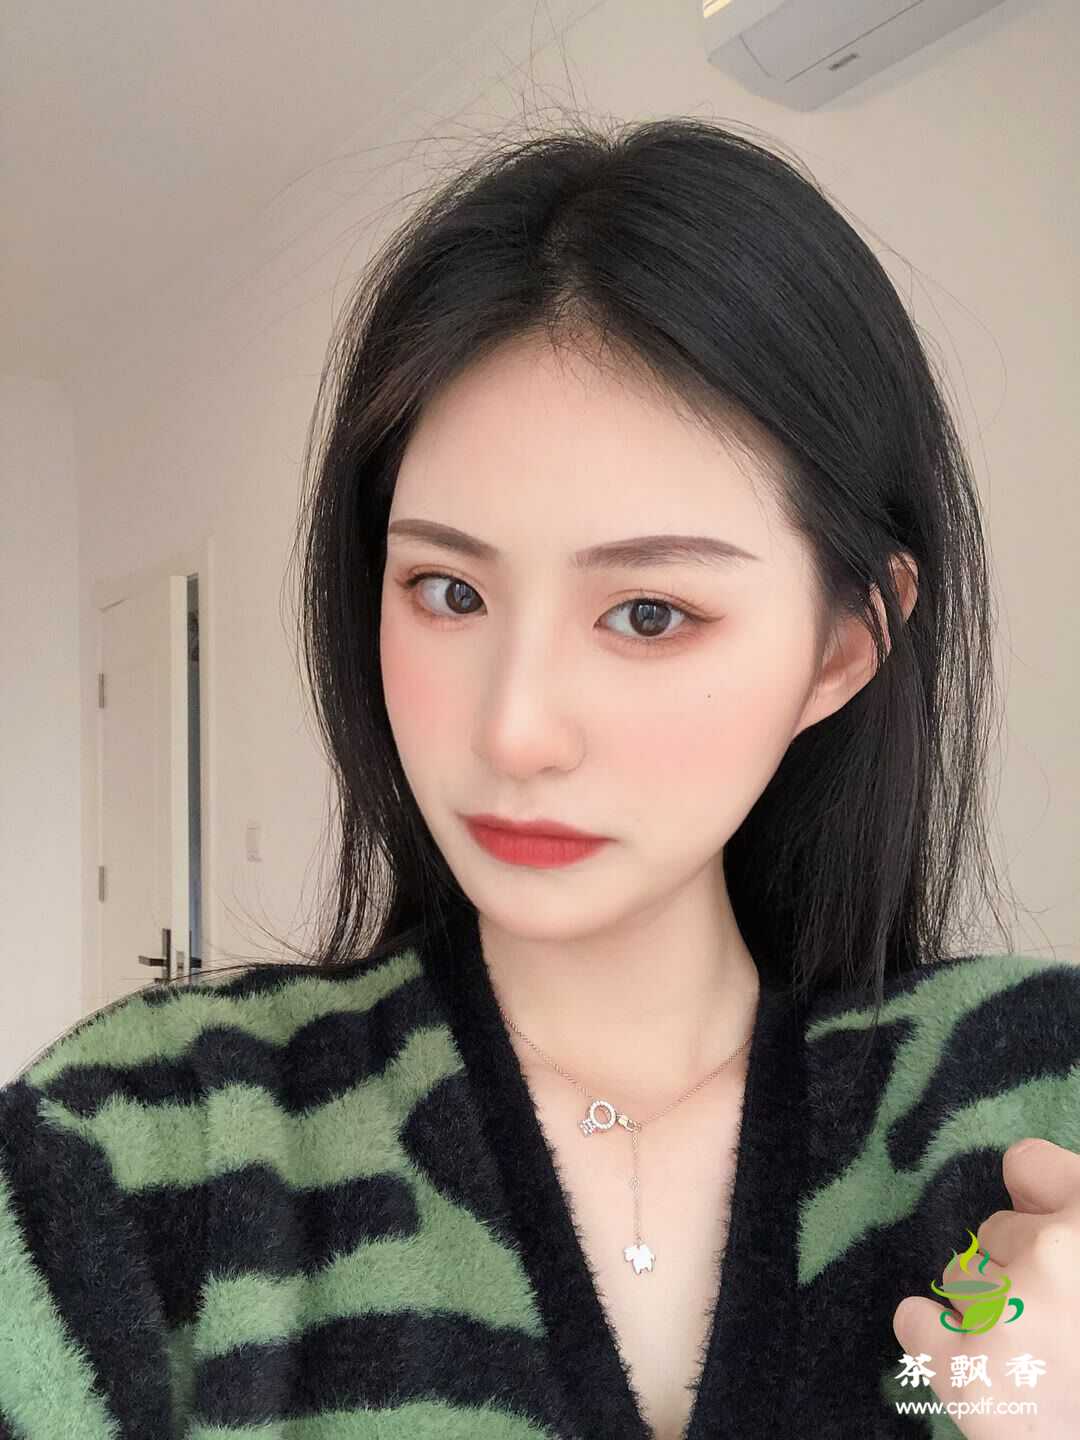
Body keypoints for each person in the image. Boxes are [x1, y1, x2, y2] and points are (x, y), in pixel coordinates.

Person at [1, 114, 1077, 1440]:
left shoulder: (1034, 1103)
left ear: (844, 646)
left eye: (648, 614)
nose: (512, 731)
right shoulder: (138, 1150)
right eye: (447, 591)